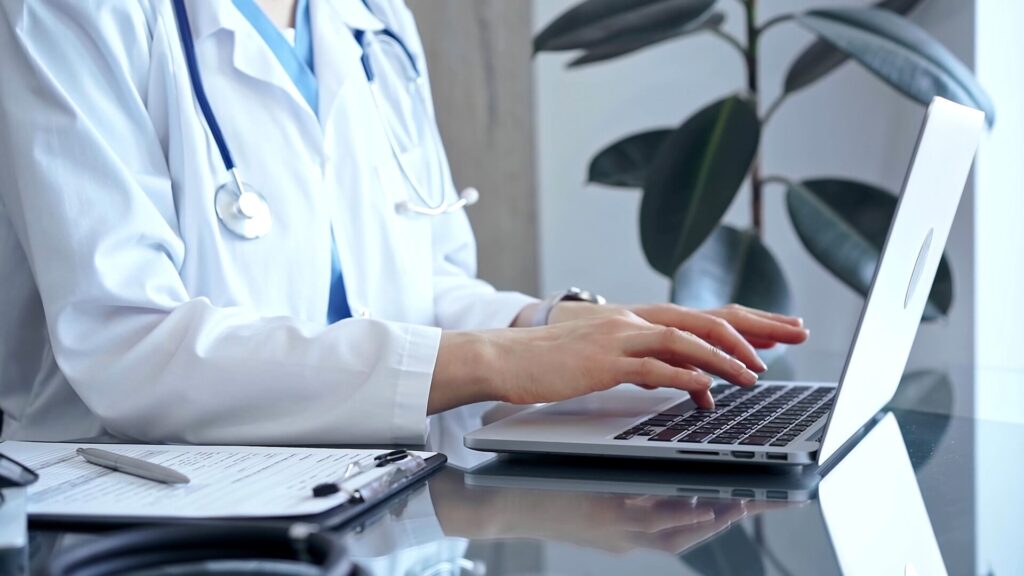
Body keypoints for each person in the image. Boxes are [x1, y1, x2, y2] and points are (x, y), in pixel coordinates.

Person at [0, 0, 808, 445]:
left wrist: (558, 326)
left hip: (363, 495)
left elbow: (425, 285)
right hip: (136, 513)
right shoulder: (67, 13)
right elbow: (127, 346)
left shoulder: (373, 20)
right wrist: (497, 357)